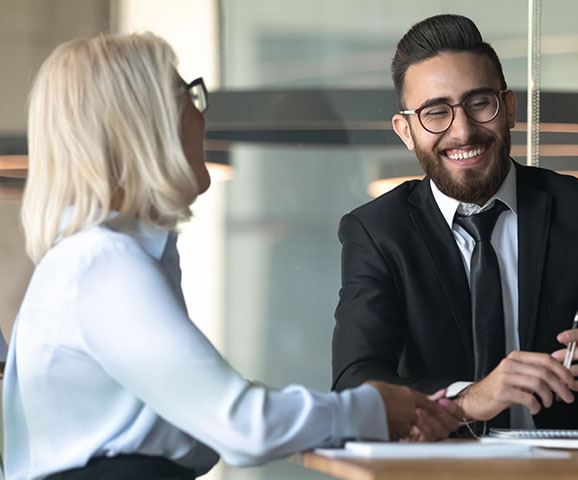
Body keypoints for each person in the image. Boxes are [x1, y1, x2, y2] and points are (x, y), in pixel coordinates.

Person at [3, 33, 458, 480]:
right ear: (147, 122)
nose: (203, 119)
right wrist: (373, 408)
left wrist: (378, 410)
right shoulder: (104, 264)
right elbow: (244, 427)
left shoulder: (101, 259)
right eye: (190, 98)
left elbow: (215, 416)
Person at [331, 14, 578, 436]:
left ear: (508, 108)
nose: (464, 131)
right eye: (436, 113)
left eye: (479, 103)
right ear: (407, 131)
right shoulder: (377, 232)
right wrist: (471, 398)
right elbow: (353, 385)